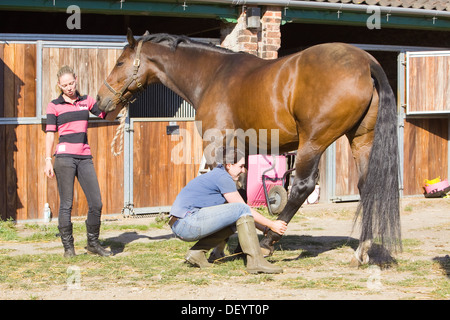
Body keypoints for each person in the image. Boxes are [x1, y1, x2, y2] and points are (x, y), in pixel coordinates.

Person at [169, 147, 287, 274]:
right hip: (187, 223)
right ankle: (256, 262)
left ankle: (197, 253)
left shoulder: (219, 174)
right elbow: (243, 209)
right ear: (229, 165)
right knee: (241, 207)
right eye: (241, 166)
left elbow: (240, 215)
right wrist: (271, 224)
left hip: (182, 224)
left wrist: (264, 229)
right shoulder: (223, 178)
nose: (243, 170)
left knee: (235, 217)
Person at [44, 65, 111, 258]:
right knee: (66, 204)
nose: (69, 88)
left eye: (71, 83)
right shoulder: (54, 105)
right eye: (64, 85)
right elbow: (50, 134)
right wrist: (48, 159)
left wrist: (120, 102)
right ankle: (68, 249)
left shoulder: (86, 100)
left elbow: (105, 114)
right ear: (59, 85)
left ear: (76, 79)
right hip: (63, 158)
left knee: (96, 203)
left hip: (84, 156)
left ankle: (92, 243)